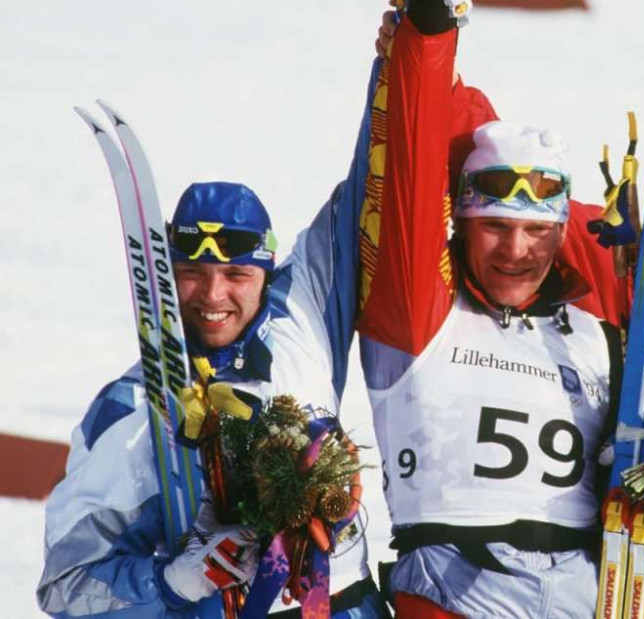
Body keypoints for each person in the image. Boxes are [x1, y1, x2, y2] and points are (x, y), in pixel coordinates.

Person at [353, 0, 633, 616]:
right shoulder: (419, 310)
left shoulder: (596, 332)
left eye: (536, 231)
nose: (515, 250)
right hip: (454, 592)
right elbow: (418, 158)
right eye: (493, 228)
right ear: (460, 223)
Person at [38, 180, 387, 618]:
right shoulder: (129, 412)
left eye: (236, 274)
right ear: (166, 274)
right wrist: (171, 584)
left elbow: (371, 185)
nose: (213, 295)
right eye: (192, 274)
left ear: (267, 270)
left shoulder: (302, 316)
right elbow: (65, 587)